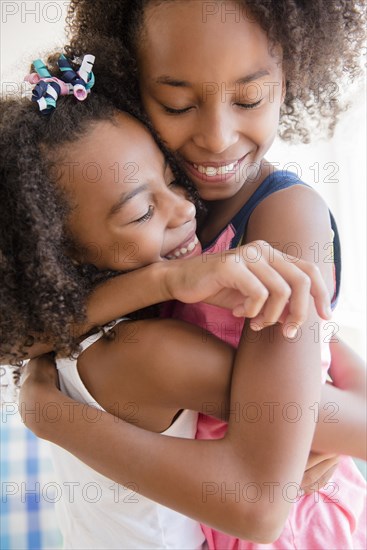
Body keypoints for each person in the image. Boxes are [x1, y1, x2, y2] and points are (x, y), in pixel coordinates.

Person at [15, 0, 367, 546]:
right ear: (134, 87)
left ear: (290, 76)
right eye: (177, 104)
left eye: (249, 97)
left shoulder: (281, 218)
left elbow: (271, 490)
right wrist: (163, 282)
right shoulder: (159, 200)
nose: (217, 138)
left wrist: (54, 418)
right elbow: (22, 331)